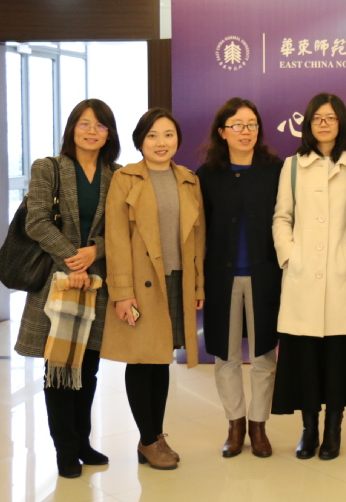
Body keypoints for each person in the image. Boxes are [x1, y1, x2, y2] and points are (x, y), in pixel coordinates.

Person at [14, 99, 121, 479]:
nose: (92, 131)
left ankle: (82, 442)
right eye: (84, 124)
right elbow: (37, 222)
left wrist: (95, 251)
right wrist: (73, 259)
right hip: (56, 283)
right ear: (72, 128)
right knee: (59, 368)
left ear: (109, 133)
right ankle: (64, 449)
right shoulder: (49, 168)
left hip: (95, 284)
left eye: (100, 125)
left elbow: (122, 230)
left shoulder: (117, 175)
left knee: (88, 369)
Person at [102, 108, 206, 471]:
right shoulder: (125, 179)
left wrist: (198, 284)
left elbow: (198, 238)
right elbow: (116, 238)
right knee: (140, 358)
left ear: (177, 139)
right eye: (153, 135)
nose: (161, 143)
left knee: (161, 358)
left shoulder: (189, 179)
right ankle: (148, 440)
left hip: (176, 280)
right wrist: (122, 292)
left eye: (168, 135)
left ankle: (154, 435)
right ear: (140, 141)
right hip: (141, 284)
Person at [271, 93, 346, 461]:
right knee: (306, 357)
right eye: (317, 118)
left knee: (337, 358)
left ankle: (333, 429)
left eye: (330, 118)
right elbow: (282, 217)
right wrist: (289, 255)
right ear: (308, 124)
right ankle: (309, 428)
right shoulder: (293, 166)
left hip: (339, 276)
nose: (324, 124)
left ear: (342, 123)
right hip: (302, 276)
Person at [197, 98, 283, 459]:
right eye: (237, 125)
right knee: (226, 354)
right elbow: (198, 231)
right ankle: (235, 425)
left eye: (251, 125)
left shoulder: (276, 170)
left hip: (266, 276)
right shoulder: (206, 175)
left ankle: (258, 426)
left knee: (264, 355)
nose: (245, 132)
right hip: (222, 277)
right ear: (222, 132)